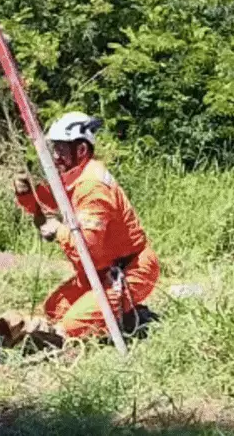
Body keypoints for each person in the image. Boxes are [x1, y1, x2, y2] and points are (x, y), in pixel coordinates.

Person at [13, 112, 160, 340]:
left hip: (129, 271)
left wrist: (58, 229)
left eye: (61, 149)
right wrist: (27, 193)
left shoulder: (92, 186)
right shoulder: (77, 177)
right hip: (101, 272)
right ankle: (122, 314)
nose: (55, 155)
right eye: (55, 148)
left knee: (69, 328)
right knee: (54, 309)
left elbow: (87, 247)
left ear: (80, 150)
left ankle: (132, 318)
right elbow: (53, 200)